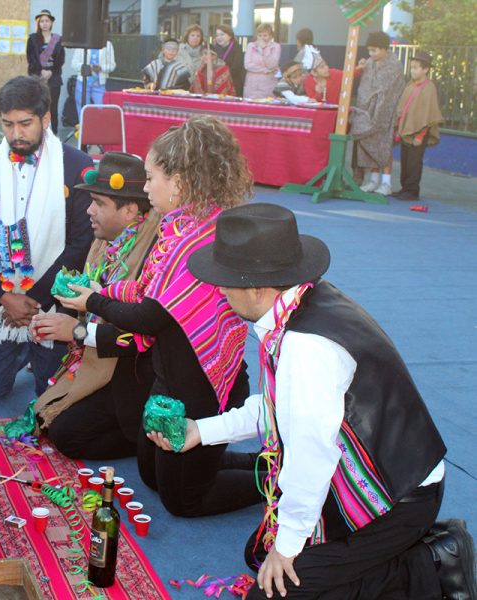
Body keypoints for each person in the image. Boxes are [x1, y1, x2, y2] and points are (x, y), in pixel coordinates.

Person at [179, 202, 476, 600]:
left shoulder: (305, 345)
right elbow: (280, 408)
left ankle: (432, 561)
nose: (219, 289)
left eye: (225, 279)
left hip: (398, 498)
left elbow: (312, 451)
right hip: (365, 473)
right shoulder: (301, 302)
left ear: (256, 288)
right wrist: (202, 430)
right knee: (260, 554)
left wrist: (287, 547)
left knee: (272, 591)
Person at [57, 116, 259, 517]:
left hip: (200, 384)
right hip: (172, 376)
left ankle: (279, 478)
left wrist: (92, 304)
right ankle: (229, 461)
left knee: (185, 500)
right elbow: (151, 292)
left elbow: (150, 316)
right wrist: (102, 291)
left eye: (150, 178)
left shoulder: (195, 238)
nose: (146, 188)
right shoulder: (182, 225)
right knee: (152, 474)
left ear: (180, 182)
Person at [0, 75, 94, 400]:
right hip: (1, 302)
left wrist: (33, 299)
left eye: (25, 124)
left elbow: (80, 243)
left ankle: (38, 354)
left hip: (54, 300)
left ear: (45, 119)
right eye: (8, 125)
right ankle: (22, 352)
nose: (15, 134)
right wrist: (5, 297)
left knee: (49, 395)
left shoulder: (76, 165)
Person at [31, 152, 160, 459]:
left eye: (99, 204)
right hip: (99, 352)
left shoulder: (153, 251)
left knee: (66, 434)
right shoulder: (106, 241)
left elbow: (138, 336)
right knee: (45, 406)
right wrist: (54, 323)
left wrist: (75, 330)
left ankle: (144, 438)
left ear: (130, 210)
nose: (89, 210)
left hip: (135, 370)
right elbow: (87, 301)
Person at [351, 31, 405, 196]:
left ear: (384, 49)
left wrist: (377, 107)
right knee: (369, 145)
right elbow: (364, 87)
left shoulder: (394, 65)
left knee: (384, 146)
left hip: (385, 113)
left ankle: (386, 183)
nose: (371, 53)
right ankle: (373, 180)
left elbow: (389, 91)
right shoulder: (369, 63)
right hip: (367, 112)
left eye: (374, 50)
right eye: (369, 50)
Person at [393, 51, 442, 202]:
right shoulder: (411, 85)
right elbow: (405, 107)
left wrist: (420, 135)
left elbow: (428, 114)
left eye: (416, 68)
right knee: (406, 160)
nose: (412, 70)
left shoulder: (428, 88)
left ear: (426, 69)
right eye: (412, 67)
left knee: (414, 162)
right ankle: (404, 188)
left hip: (418, 132)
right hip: (407, 130)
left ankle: (412, 191)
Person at [26, 9, 64, 135]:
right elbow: (30, 58)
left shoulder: (58, 40)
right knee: (37, 107)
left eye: (47, 21)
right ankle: (37, 133)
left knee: (53, 108)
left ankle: (54, 136)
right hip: (37, 77)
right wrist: (40, 71)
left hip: (54, 79)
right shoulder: (32, 39)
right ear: (38, 23)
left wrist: (51, 71)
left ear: (51, 22)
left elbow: (61, 60)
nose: (44, 23)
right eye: (42, 21)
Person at [71, 39, 115, 113]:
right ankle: (83, 124)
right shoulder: (82, 42)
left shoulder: (107, 44)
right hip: (83, 83)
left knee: (102, 110)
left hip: (99, 83)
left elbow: (112, 65)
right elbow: (74, 64)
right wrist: (88, 67)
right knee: (83, 111)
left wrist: (101, 68)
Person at [244, 23, 281, 99]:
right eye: (259, 35)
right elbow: (248, 65)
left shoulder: (276, 47)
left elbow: (272, 64)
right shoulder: (251, 46)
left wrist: (264, 48)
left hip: (268, 85)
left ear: (271, 36)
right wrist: (266, 70)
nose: (262, 38)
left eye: (265, 35)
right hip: (252, 85)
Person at [214, 23, 244, 97]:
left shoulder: (237, 48)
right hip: (217, 83)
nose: (219, 37)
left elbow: (236, 67)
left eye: (222, 34)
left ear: (230, 35)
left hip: (233, 83)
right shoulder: (214, 48)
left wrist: (223, 76)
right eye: (217, 35)